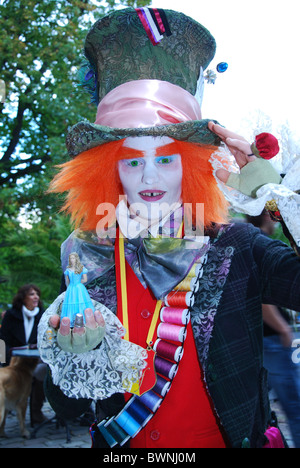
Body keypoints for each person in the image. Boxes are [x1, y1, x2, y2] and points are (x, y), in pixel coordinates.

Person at [37, 8, 300, 448]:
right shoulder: (84, 254)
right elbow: (66, 405)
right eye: (132, 160)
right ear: (109, 172)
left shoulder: (236, 244)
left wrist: (277, 195)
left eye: (166, 158)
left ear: (191, 166)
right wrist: (73, 355)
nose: (149, 177)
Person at [246, 211, 300, 448]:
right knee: (294, 404)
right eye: (273, 213)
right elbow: (264, 301)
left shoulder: (258, 242)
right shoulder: (254, 243)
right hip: (272, 339)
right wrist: (284, 330)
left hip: (267, 340)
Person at [0, 284, 47, 424]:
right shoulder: (11, 315)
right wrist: (4, 361)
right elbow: (3, 341)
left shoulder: (43, 316)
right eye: (32, 294)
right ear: (23, 298)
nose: (36, 297)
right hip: (13, 360)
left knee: (41, 373)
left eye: (37, 294)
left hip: (35, 360)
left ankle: (36, 412)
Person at [60, 252, 95, 327]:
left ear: (76, 259)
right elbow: (67, 281)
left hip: (79, 287)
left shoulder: (81, 268)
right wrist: (70, 287)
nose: (72, 260)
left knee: (81, 301)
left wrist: (78, 282)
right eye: (71, 258)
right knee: (71, 302)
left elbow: (85, 280)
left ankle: (84, 320)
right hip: (71, 288)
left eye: (73, 258)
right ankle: (71, 321)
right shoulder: (68, 270)